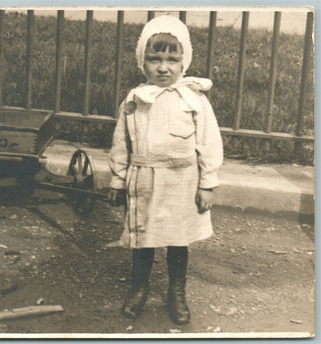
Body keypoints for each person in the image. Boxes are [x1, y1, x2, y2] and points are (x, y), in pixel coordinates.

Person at [108, 15, 223, 325]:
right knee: (142, 239)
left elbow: (209, 143)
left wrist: (207, 184)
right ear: (141, 62)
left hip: (182, 181)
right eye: (154, 59)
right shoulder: (135, 100)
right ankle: (139, 289)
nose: (163, 67)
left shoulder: (194, 100)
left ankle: (176, 292)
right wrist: (118, 180)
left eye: (172, 60)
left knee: (177, 239)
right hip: (145, 179)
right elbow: (122, 143)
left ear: (183, 62)